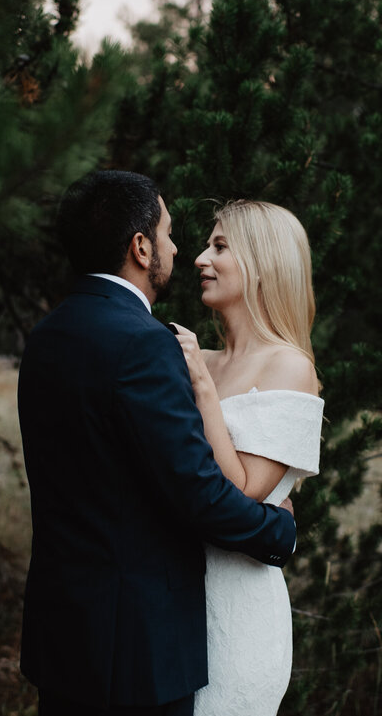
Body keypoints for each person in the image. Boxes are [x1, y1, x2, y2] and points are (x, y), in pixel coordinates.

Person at [17, 171, 298, 716]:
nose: (178, 249)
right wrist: (278, 531)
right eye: (168, 234)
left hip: (62, 632)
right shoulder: (143, 344)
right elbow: (196, 490)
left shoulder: (48, 336)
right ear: (140, 248)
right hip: (136, 647)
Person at [170, 200, 323, 716]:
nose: (198, 258)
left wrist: (203, 390)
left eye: (218, 246)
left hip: (239, 609)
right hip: (172, 598)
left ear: (261, 260)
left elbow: (241, 493)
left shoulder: (289, 365)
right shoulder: (200, 359)